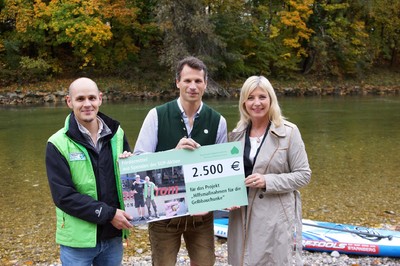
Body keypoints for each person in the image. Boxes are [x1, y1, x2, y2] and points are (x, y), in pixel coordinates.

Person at [134, 56, 228, 266]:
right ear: (177, 82)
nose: (192, 86)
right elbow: (139, 161)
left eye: (198, 81)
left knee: (205, 263)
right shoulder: (157, 115)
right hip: (164, 213)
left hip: (200, 214)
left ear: (205, 84)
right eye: (187, 81)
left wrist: (220, 201)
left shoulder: (218, 121)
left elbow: (222, 174)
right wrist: (173, 155)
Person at [45, 77, 133, 266]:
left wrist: (131, 167)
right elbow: (64, 196)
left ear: (100, 99)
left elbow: (129, 183)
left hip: (113, 236)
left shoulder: (117, 134)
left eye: (92, 98)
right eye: (80, 99)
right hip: (78, 242)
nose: (87, 104)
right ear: (69, 101)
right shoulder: (57, 143)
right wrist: (109, 214)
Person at [227, 76, 311, 266]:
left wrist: (268, 181)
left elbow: (304, 175)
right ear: (243, 103)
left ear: (271, 99)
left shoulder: (289, 132)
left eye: (262, 97)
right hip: (242, 216)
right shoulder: (235, 135)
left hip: (276, 217)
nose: (256, 103)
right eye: (250, 98)